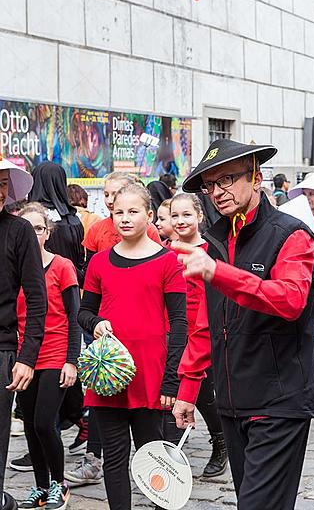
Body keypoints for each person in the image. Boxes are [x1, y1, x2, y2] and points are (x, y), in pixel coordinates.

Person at [172, 139, 314, 510]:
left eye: (227, 179)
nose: (217, 192)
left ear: (256, 176)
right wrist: (188, 388)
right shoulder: (214, 240)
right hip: (232, 401)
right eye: (209, 185)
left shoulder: (291, 234)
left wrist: (219, 273)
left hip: (279, 400)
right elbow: (204, 323)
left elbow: (289, 300)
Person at [78, 183, 187, 510]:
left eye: (133, 211)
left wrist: (171, 378)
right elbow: (83, 312)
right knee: (114, 457)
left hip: (149, 373)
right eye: (118, 213)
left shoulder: (167, 262)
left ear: (150, 215)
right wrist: (95, 323)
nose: (124, 218)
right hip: (108, 375)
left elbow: (180, 322)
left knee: (153, 455)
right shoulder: (99, 263)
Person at [17, 203, 80, 510]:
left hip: (56, 352)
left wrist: (72, 359)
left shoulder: (62, 266)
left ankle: (59, 483)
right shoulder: (12, 270)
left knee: (44, 422)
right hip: (23, 357)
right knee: (29, 423)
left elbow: (74, 315)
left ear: (48, 232)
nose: (32, 234)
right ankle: (41, 487)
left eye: (38, 228)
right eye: (26, 229)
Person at [167, 193, 228, 477]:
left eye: (186, 215)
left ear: (200, 216)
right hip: (172, 331)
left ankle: (220, 439)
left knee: (203, 391)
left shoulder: (211, 249)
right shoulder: (163, 252)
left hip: (204, 331)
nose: (180, 221)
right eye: (175, 216)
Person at [0, 157, 47, 510]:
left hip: (3, 350)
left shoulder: (19, 232)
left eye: (3, 184)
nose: (0, 191)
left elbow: (36, 299)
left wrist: (27, 356)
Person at [28, 162, 85, 286]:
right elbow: (81, 262)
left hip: (35, 289)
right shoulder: (74, 219)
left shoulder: (26, 220)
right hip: (71, 287)